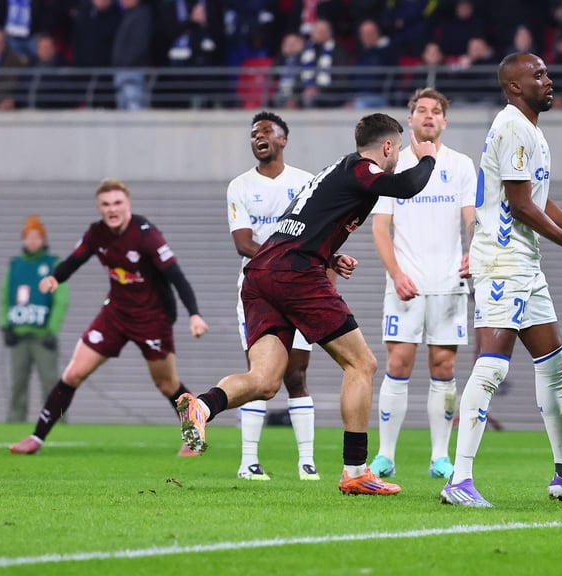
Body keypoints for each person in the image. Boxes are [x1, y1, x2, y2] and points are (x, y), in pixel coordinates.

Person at [176, 113, 438, 497]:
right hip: (295, 275)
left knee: (266, 382)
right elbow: (408, 185)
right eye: (397, 150)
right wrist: (428, 157)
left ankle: (202, 405)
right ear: (388, 147)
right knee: (361, 363)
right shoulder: (362, 167)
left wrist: (329, 256)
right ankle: (355, 470)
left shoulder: (335, 171)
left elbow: (301, 224)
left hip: (262, 272)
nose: (397, 157)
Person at [439, 52, 562, 508]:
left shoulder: (530, 128)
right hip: (501, 260)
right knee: (493, 365)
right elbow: (520, 206)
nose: (548, 80)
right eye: (538, 75)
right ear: (515, 86)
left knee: (554, 368)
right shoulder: (514, 125)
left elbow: (536, 196)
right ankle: (459, 480)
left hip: (524, 262)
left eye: (546, 72)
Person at [9, 179, 209, 455]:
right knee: (73, 373)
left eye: (117, 203)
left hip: (153, 318)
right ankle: (37, 438)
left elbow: (176, 276)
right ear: (99, 207)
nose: (112, 209)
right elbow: (75, 259)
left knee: (167, 383)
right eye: (105, 204)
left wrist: (194, 315)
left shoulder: (147, 235)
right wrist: (56, 277)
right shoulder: (97, 233)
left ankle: (193, 435)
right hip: (115, 313)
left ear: (127, 205)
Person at [368, 88, 476, 481]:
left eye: (436, 111)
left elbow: (471, 218)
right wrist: (396, 273)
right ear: (409, 120)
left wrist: (473, 251)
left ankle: (439, 457)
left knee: (443, 366)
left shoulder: (461, 165)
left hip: (449, 284)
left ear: (444, 121)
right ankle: (385, 455)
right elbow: (381, 228)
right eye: (421, 111)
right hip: (405, 283)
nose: (428, 116)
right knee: (397, 363)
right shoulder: (392, 167)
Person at [226, 110, 319, 481]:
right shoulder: (239, 186)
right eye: (254, 133)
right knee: (260, 377)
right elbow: (242, 242)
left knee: (296, 374)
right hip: (258, 290)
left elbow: (319, 234)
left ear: (283, 139)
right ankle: (249, 461)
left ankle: (307, 462)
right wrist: (288, 257)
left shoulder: (307, 183)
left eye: (267, 131)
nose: (259, 136)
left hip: (300, 289)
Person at [0, 215, 68, 423]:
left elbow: (61, 300)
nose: (33, 241)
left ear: (43, 240)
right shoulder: (15, 265)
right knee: (17, 384)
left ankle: (58, 424)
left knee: (50, 383)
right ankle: (15, 423)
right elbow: (4, 296)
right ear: (23, 239)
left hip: (43, 337)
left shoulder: (52, 264)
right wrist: (5, 326)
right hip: (19, 336)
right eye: (29, 237)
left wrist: (52, 331)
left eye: (37, 237)